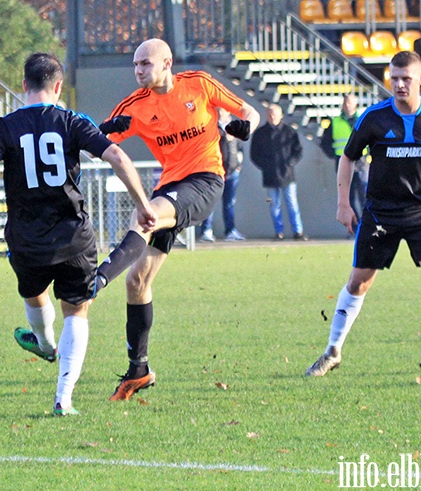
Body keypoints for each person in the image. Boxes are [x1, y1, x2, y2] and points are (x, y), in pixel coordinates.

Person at [0, 53, 156, 416]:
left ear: (24, 85)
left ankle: (47, 346)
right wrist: (143, 203)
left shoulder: (2, 126)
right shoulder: (71, 121)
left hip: (25, 239)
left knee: (35, 297)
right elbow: (116, 155)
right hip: (73, 236)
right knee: (77, 312)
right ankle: (63, 399)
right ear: (59, 86)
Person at [88, 38, 259, 401]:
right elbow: (97, 139)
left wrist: (248, 128)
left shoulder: (198, 83)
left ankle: (97, 278)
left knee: (144, 216)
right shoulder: (135, 106)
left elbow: (249, 112)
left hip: (206, 180)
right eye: (135, 65)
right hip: (169, 186)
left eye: (145, 64)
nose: (138, 71)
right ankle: (139, 370)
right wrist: (98, 131)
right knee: (137, 281)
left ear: (166, 63)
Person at [306, 50, 421, 377]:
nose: (399, 84)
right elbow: (347, 158)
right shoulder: (374, 117)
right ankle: (332, 351)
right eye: (394, 78)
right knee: (359, 283)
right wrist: (343, 203)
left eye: (406, 78)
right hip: (380, 213)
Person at [249, 104, 307, 240]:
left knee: (292, 203)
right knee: (273, 205)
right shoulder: (260, 133)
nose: (272, 117)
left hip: (287, 175)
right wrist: (265, 166)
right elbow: (254, 154)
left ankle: (298, 232)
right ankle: (279, 232)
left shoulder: (289, 132)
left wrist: (290, 164)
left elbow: (298, 151)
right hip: (269, 176)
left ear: (281, 115)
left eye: (274, 114)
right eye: (269, 114)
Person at [200, 111, 246, 242]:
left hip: (232, 173)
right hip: (216, 173)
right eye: (219, 112)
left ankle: (230, 231)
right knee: (210, 203)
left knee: (229, 203)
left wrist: (239, 166)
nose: (221, 114)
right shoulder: (212, 128)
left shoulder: (234, 128)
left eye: (223, 112)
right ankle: (206, 230)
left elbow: (240, 148)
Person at [320, 94, 368, 220]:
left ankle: (367, 224)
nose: (347, 105)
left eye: (350, 103)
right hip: (343, 164)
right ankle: (356, 226)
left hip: (361, 163)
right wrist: (334, 154)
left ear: (355, 104)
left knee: (365, 196)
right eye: (345, 103)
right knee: (348, 199)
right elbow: (325, 142)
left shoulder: (363, 120)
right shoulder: (335, 122)